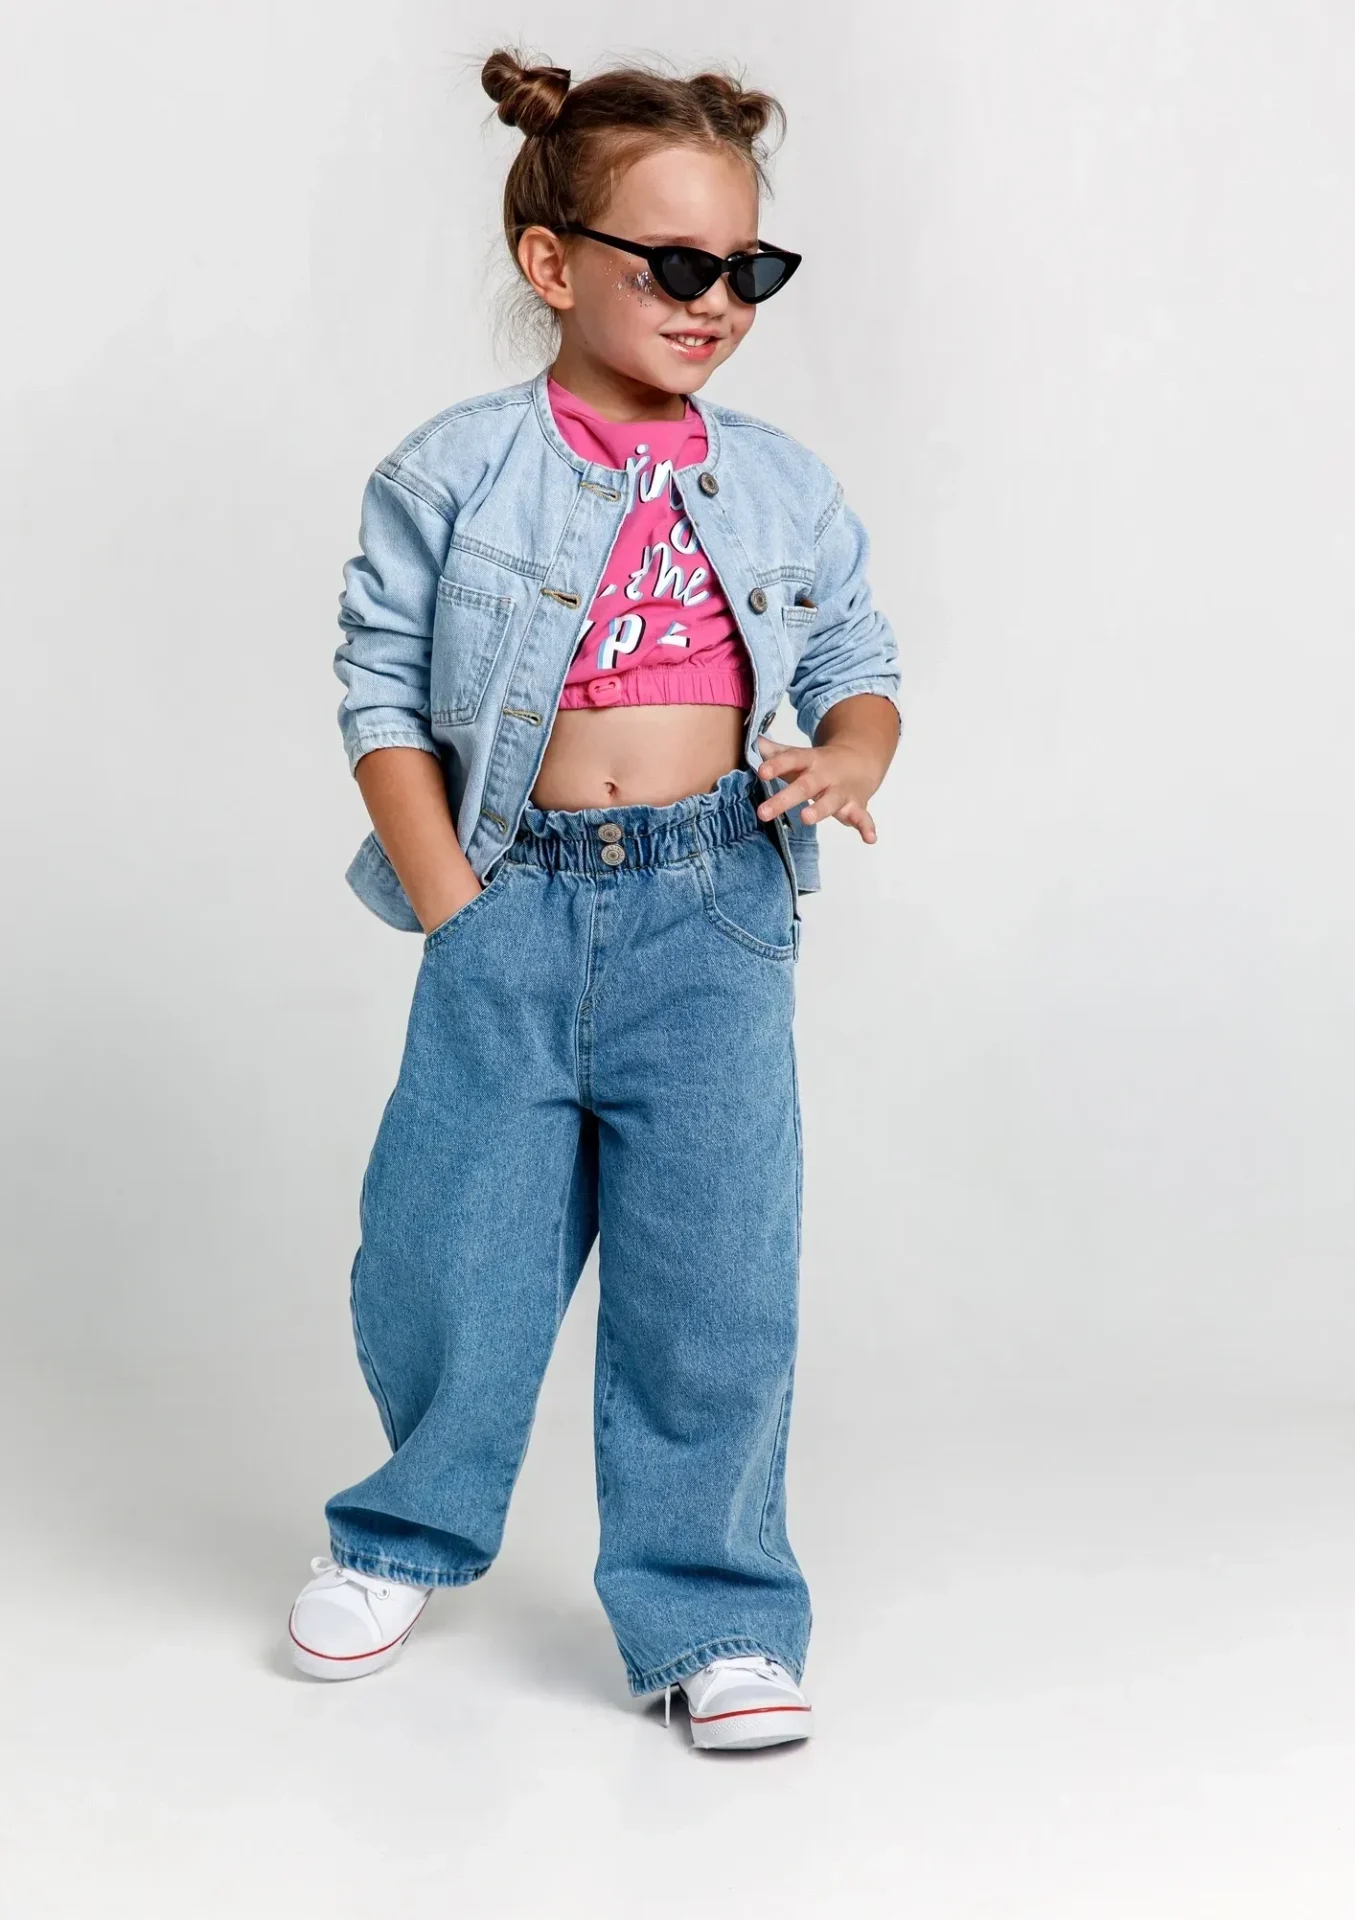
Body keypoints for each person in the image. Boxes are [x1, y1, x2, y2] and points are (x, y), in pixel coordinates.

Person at [286, 48, 901, 1753]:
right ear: (553, 263)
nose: (716, 303)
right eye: (678, 267)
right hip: (516, 908)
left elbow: (856, 660)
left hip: (711, 916)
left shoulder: (778, 484)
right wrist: (452, 899)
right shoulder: (455, 469)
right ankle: (403, 1530)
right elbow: (380, 688)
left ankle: (710, 1611)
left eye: (749, 272)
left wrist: (855, 752)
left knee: (713, 1284)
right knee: (448, 1250)